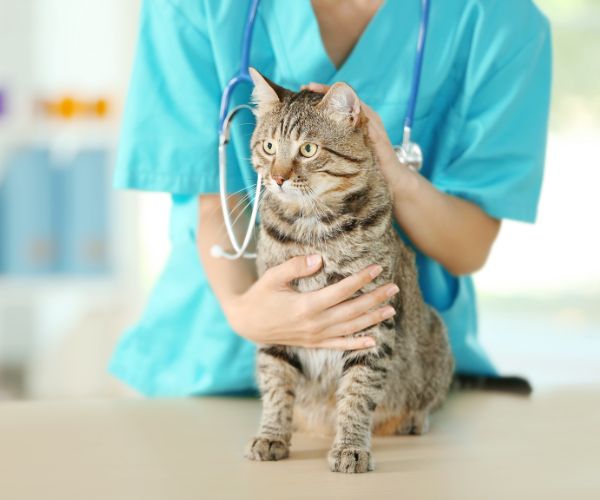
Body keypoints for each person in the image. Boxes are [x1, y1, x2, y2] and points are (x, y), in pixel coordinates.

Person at [109, 0, 552, 396]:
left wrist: (390, 173)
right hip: (212, 362)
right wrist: (243, 312)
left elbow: (469, 245)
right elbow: (214, 197)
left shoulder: (502, 22)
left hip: (388, 372)